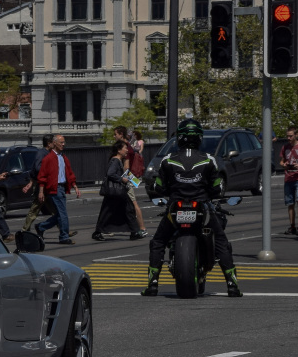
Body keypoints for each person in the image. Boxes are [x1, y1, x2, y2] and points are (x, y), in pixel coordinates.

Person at [142, 118, 241, 297]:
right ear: (199, 138)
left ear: (179, 138)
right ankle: (232, 285)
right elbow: (217, 188)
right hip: (202, 207)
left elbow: (158, 187)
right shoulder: (209, 160)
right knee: (221, 242)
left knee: (158, 242)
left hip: (175, 207)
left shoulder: (167, 160)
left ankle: (152, 284)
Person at [35, 134, 77, 245]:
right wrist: (41, 191)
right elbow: (42, 176)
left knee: (59, 215)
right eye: (61, 142)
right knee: (62, 214)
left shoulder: (63, 157)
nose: (63, 144)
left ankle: (41, 227)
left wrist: (75, 186)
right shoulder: (48, 158)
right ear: (54, 143)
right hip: (54, 189)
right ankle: (64, 236)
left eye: (64, 142)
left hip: (62, 188)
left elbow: (69, 173)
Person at [93, 140, 136, 244]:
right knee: (127, 209)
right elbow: (110, 173)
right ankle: (134, 231)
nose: (127, 150)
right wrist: (122, 179)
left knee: (111, 211)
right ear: (119, 150)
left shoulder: (118, 160)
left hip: (116, 192)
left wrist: (134, 180)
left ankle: (134, 231)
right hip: (116, 192)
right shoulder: (115, 161)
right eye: (125, 148)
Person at [113, 126, 148, 238]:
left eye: (116, 134)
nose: (114, 136)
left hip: (127, 177)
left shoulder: (125, 147)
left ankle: (142, 228)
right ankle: (110, 227)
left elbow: (126, 166)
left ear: (121, 135)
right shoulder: (128, 146)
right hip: (130, 177)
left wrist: (124, 180)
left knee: (133, 202)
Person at [280, 127, 298, 236]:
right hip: (288, 177)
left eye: (290, 136)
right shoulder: (285, 147)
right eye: (287, 136)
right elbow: (282, 161)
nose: (288, 138)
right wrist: (284, 164)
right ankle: (292, 226)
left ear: (296, 135)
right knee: (290, 203)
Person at [21, 134, 54, 232]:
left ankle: (64, 230)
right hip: (42, 186)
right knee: (35, 209)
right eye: (53, 142)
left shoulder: (49, 153)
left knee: (55, 210)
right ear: (49, 143)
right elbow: (36, 168)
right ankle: (25, 230)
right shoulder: (42, 153)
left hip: (48, 186)